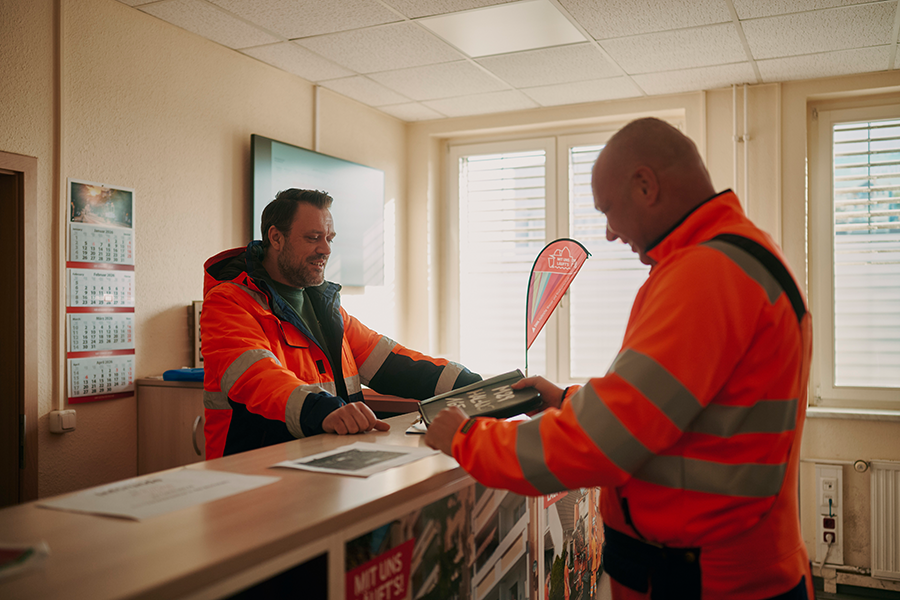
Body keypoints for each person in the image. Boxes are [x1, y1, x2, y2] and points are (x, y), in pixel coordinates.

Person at [425, 118, 814, 599]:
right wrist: (567, 400)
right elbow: (680, 410)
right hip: (728, 565)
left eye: (608, 210)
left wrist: (466, 437)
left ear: (646, 185)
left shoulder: (705, 273)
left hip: (705, 578)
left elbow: (604, 441)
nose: (608, 233)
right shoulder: (738, 254)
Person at [202, 188, 481, 459]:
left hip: (327, 463)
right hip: (255, 475)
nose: (325, 249)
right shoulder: (229, 302)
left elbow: (392, 363)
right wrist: (323, 410)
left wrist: (473, 386)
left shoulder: (325, 307)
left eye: (329, 239)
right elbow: (258, 378)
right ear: (276, 238)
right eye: (313, 237)